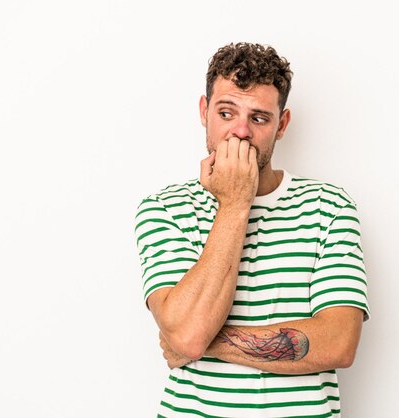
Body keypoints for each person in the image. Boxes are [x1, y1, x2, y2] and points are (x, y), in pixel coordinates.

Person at [134, 42, 370, 417]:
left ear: (282, 125)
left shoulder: (330, 206)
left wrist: (204, 344)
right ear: (203, 111)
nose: (240, 132)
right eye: (226, 113)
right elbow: (188, 331)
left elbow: (339, 343)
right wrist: (235, 202)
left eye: (259, 118)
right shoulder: (164, 208)